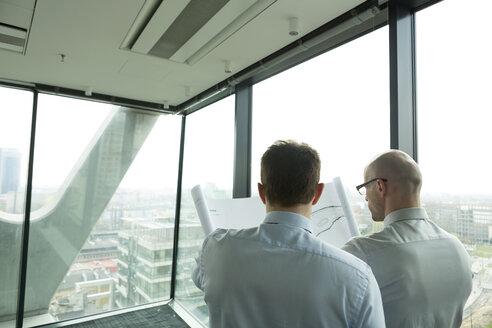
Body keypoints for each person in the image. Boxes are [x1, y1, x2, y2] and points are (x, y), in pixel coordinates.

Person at [192, 140, 385, 328]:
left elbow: (202, 281)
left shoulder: (215, 248)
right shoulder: (357, 277)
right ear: (317, 193)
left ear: (261, 192)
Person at [342, 150, 472, 328]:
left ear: (380, 186)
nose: (365, 197)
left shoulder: (362, 252)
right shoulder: (457, 248)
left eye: (365, 188)